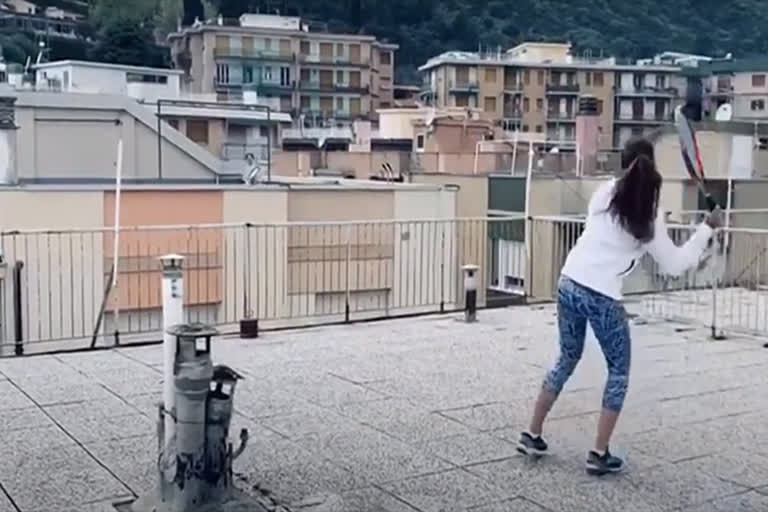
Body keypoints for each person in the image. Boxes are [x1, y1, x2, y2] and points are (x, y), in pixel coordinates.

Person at [516, 137, 724, 476]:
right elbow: (673, 264)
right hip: (601, 295)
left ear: (621, 163)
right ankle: (599, 453)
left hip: (569, 282)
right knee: (618, 371)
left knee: (567, 357)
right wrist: (706, 229)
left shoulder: (603, 194)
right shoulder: (648, 214)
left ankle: (531, 433)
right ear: (651, 167)